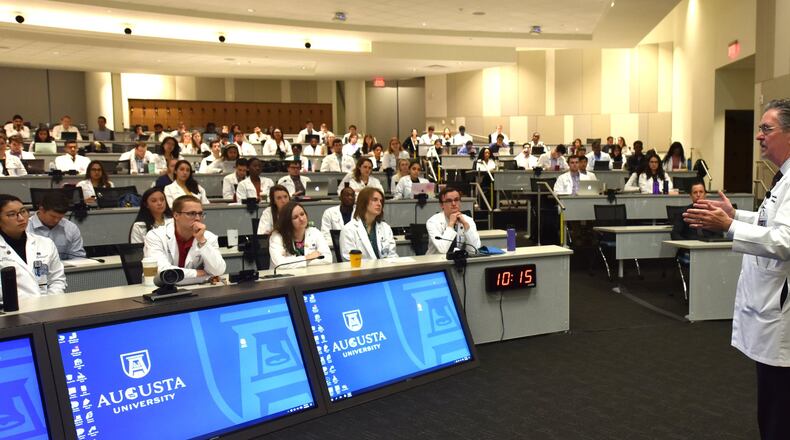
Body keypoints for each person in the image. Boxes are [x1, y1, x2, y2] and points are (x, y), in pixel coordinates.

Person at [682, 99, 790, 439]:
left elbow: (785, 240)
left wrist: (728, 225)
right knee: (771, 408)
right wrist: (736, 216)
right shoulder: (782, 177)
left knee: (779, 415)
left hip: (781, 313)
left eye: (766, 129)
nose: (759, 136)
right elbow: (770, 222)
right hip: (770, 307)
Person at [144, 195, 226, 280]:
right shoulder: (155, 236)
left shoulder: (208, 237)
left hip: (195, 287)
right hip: (160, 288)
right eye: (191, 213)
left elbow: (218, 270)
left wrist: (202, 242)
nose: (198, 218)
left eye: (200, 214)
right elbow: (162, 270)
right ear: (176, 215)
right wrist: (197, 273)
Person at [0, 194, 66, 297]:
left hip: (47, 307)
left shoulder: (45, 243)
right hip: (8, 310)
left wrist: (50, 303)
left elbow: (57, 280)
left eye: (23, 211)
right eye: (12, 214)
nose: (21, 218)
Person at [339, 187, 396, 261]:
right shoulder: (349, 229)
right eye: (375, 200)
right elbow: (348, 259)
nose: (379, 204)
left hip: (385, 270)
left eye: (381, 201)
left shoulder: (385, 228)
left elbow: (392, 255)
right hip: (361, 271)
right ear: (364, 202)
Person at [269, 202, 332, 268]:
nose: (301, 219)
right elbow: (280, 263)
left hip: (309, 274)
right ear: (287, 221)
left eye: (302, 214)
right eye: (295, 217)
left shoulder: (314, 232)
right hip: (283, 277)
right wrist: (307, 258)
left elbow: (328, 258)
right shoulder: (277, 237)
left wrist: (302, 262)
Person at [27, 192, 85, 260]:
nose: (56, 220)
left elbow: (78, 257)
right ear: (41, 210)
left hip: (64, 269)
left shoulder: (71, 228)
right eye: (53, 216)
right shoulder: (25, 227)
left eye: (60, 217)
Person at [426, 187, 480, 255]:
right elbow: (443, 249)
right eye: (449, 201)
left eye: (456, 200)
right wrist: (451, 224)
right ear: (442, 205)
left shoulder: (467, 220)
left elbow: (474, 249)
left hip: (458, 261)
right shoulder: (433, 222)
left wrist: (466, 226)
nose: (454, 204)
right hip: (436, 262)